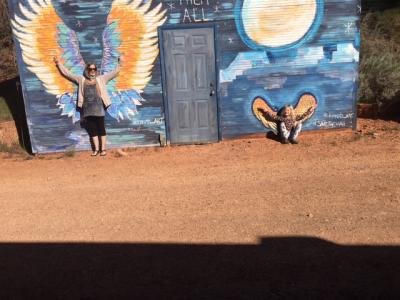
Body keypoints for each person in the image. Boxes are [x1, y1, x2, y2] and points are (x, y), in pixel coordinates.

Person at [53, 57, 120, 156]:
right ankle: (96, 150)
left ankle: (103, 149)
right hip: (88, 110)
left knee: (101, 129)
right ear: (87, 70)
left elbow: (114, 73)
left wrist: (120, 63)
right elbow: (68, 74)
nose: (93, 71)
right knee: (92, 130)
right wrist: (58, 63)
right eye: (90, 69)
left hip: (99, 109)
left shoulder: (101, 79)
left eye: (94, 69)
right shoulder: (81, 79)